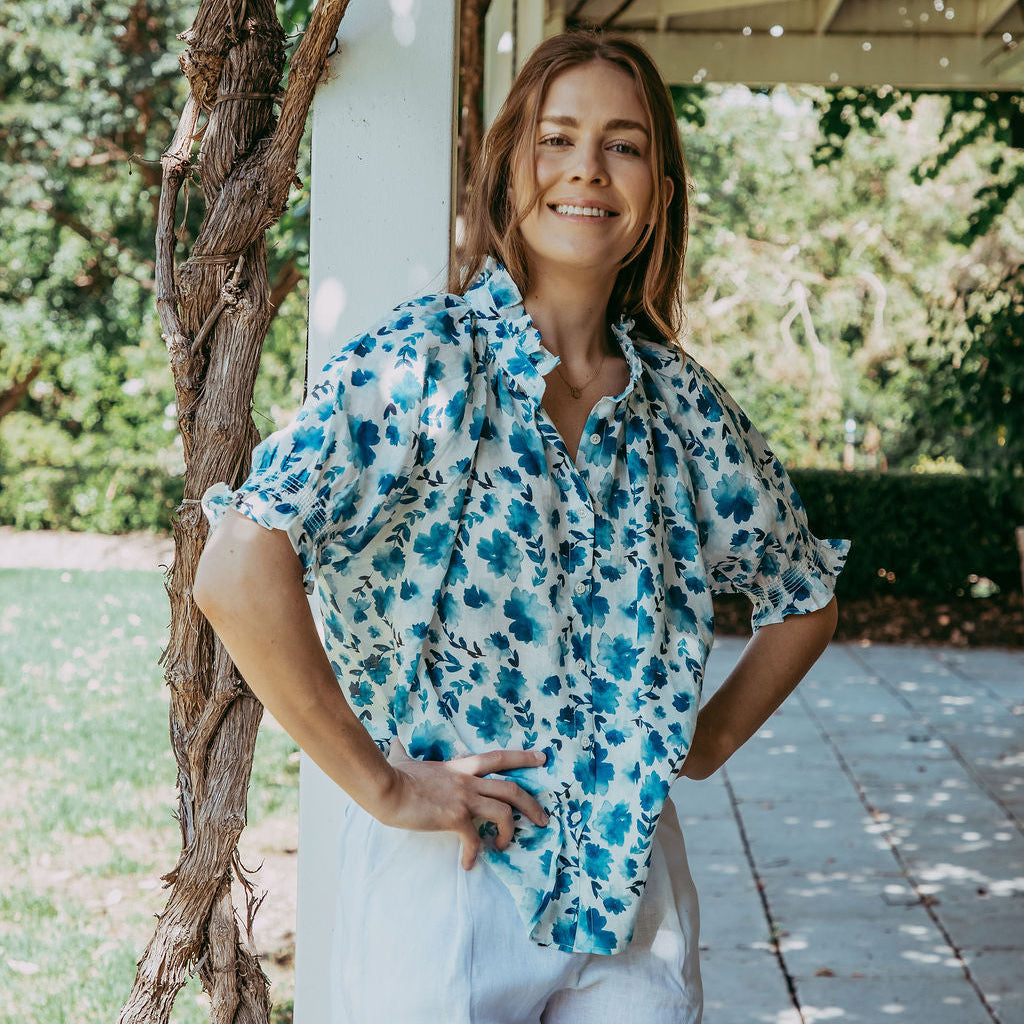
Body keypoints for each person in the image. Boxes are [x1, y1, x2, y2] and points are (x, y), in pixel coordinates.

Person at [194, 29, 849, 1024]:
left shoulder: (684, 408)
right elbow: (236, 567)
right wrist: (383, 787)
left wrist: (701, 741)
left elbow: (802, 598)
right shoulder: (422, 363)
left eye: (624, 145)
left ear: (659, 193)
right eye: (557, 138)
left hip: (632, 889)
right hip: (450, 874)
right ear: (509, 169)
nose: (588, 167)